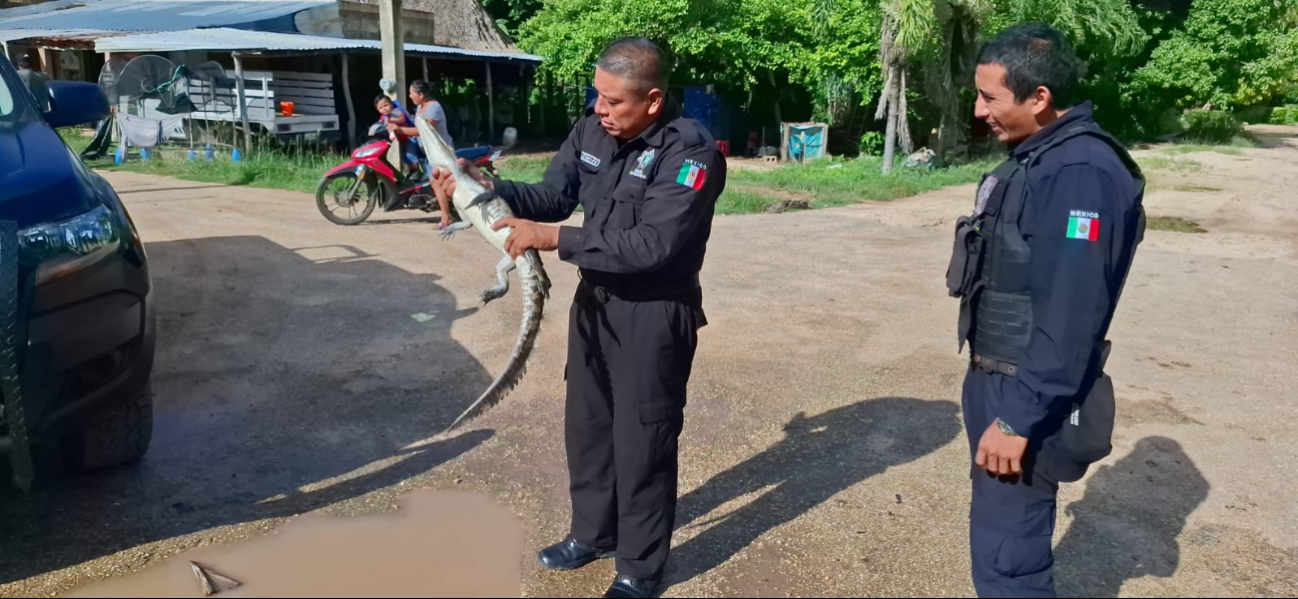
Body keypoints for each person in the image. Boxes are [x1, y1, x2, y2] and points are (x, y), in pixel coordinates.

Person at [428, 37, 725, 599]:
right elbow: (552, 196)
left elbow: (651, 246)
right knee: (588, 429)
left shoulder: (691, 154)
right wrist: (487, 186)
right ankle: (593, 534)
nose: (600, 109)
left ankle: (640, 566)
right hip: (596, 304)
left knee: (644, 439)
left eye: (614, 102)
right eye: (598, 96)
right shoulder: (593, 129)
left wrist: (553, 240)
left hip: (655, 310)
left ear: (653, 100)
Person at [944, 22, 1146, 598]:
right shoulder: (1040, 158)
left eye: (990, 98)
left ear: (1040, 99)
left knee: (1012, 561)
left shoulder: (1081, 173)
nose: (980, 110)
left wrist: (1017, 419)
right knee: (999, 540)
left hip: (1024, 392)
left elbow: (1072, 313)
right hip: (1003, 380)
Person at [387, 80, 454, 225]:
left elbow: (424, 131)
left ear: (421, 95)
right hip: (426, 151)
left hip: (439, 152)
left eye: (412, 93)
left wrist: (399, 129)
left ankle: (446, 218)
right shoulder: (420, 107)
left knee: (435, 182)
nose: (410, 96)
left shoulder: (434, 108)